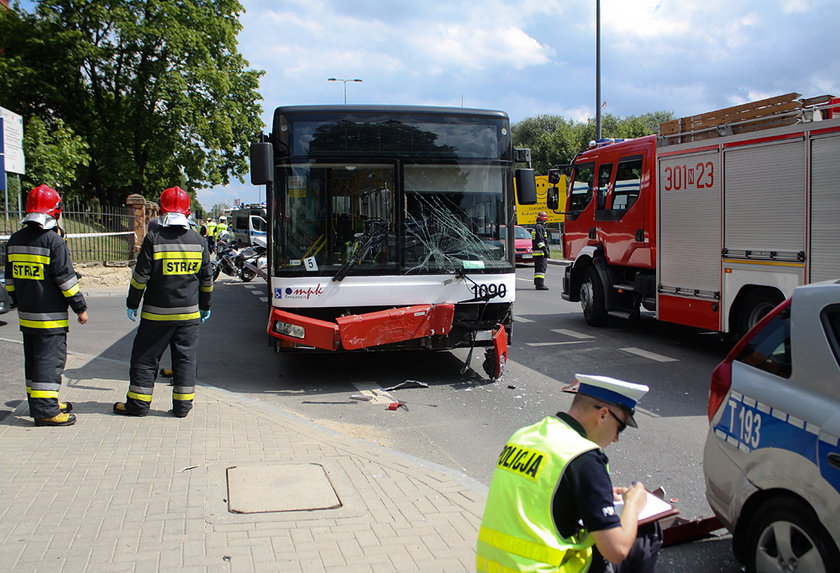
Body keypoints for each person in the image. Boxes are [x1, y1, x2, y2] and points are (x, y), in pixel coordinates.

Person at [476, 374, 662, 573]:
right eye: (620, 428)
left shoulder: (525, 435)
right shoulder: (584, 457)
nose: (616, 438)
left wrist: (594, 495)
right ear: (603, 415)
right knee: (644, 534)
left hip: (491, 566)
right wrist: (633, 505)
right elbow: (616, 550)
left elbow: (541, 495)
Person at [114, 186, 213, 418]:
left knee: (145, 358)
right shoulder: (199, 241)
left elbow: (140, 277)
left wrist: (132, 302)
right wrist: (205, 306)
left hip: (156, 315)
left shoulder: (153, 238)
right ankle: (182, 407)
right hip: (188, 316)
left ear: (161, 210)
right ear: (187, 213)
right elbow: (206, 280)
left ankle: (138, 405)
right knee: (185, 360)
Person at [4, 184, 88, 426]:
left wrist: (18, 301)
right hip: (50, 316)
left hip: (27, 314)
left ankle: (39, 401)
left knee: (33, 359)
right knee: (49, 361)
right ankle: (46, 411)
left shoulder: (15, 239)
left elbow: (10, 280)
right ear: (56, 211)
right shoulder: (53, 242)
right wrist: (80, 308)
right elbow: (66, 281)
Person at [532, 211, 550, 290]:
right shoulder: (539, 227)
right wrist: (545, 250)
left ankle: (538, 283)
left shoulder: (536, 227)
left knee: (538, 269)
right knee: (541, 269)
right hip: (540, 253)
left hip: (537, 252)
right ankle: (540, 285)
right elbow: (540, 241)